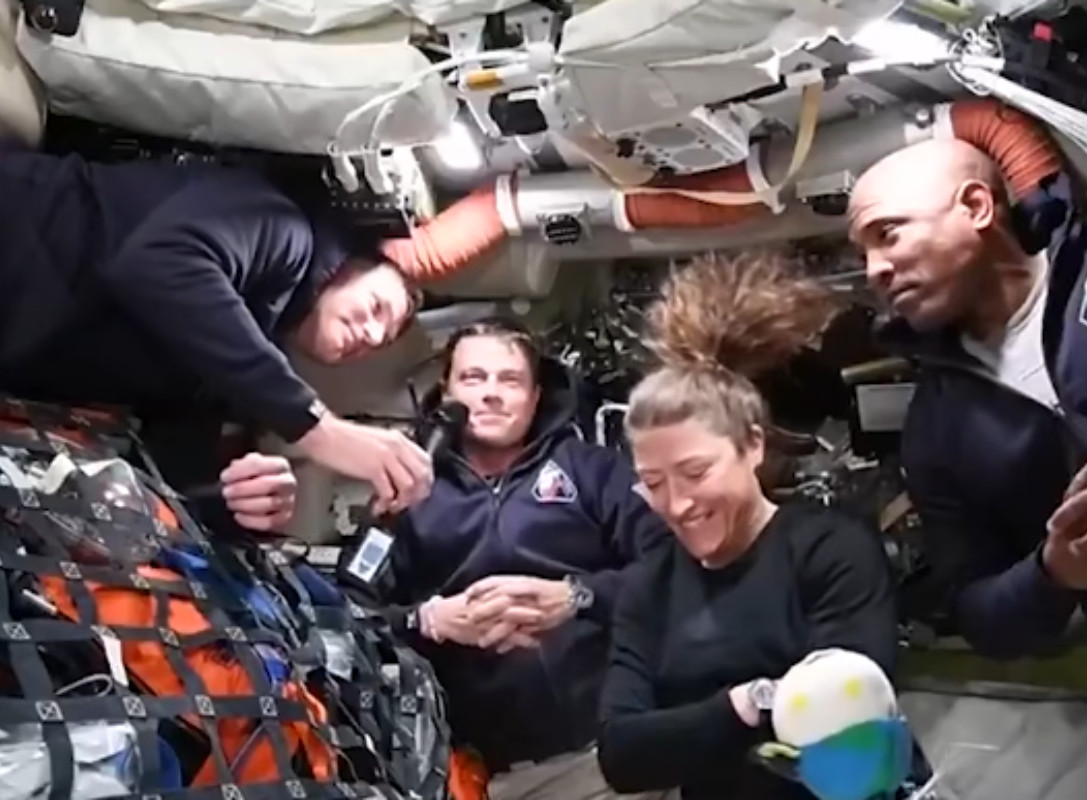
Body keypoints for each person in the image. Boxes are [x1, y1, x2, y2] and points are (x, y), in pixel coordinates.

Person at [847, 132, 1087, 690]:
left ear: (976, 207)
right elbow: (979, 615)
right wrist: (1055, 574)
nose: (873, 270)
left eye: (887, 234)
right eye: (863, 253)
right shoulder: (934, 430)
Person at [595, 253, 900, 800]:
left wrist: (694, 728)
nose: (677, 504)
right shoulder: (649, 587)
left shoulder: (831, 552)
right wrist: (752, 702)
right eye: (653, 482)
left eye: (695, 473)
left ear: (752, 445)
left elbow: (847, 730)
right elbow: (622, 756)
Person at [341, 317, 671, 800]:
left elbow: (672, 572)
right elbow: (348, 614)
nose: (491, 393)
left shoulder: (594, 472)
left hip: (598, 757)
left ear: (535, 398)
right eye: (473, 378)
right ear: (447, 392)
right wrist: (428, 619)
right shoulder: (405, 491)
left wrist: (577, 596)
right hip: (464, 771)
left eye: (510, 380)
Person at [0, 149, 432, 514]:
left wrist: (236, 504)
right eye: (377, 307)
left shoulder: (230, 364)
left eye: (381, 342)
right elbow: (158, 263)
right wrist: (316, 427)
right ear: (347, 268)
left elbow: (167, 478)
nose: (372, 335)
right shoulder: (282, 228)